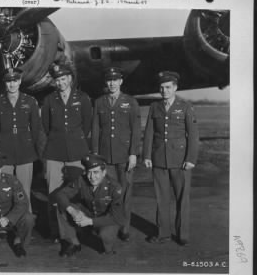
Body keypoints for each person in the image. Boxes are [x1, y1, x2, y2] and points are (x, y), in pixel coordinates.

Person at [143, 71, 199, 246]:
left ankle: (182, 235)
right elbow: (149, 133)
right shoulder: (155, 106)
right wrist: (146, 155)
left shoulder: (185, 106)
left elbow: (193, 135)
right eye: (161, 87)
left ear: (175, 87)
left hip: (180, 160)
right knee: (162, 198)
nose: (164, 90)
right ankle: (163, 233)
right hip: (159, 158)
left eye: (168, 87)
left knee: (182, 198)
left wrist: (190, 158)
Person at [41, 61, 92, 240]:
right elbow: (46, 126)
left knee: (76, 192)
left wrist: (74, 139)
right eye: (57, 80)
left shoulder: (83, 98)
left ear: (69, 79)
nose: (61, 83)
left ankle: (78, 228)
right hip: (54, 152)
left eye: (63, 79)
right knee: (54, 193)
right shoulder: (49, 100)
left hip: (77, 152)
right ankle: (56, 231)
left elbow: (86, 125)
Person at [91, 67, 141, 242]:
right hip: (105, 157)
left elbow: (136, 130)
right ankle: (106, 226)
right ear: (106, 83)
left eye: (115, 80)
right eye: (109, 80)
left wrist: (133, 154)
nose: (112, 83)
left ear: (121, 81)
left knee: (125, 193)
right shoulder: (99, 102)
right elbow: (96, 129)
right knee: (106, 193)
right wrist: (95, 154)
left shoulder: (131, 102)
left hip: (124, 156)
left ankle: (124, 228)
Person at [0, 68, 40, 213]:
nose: (12, 85)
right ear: (5, 83)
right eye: (8, 82)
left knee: (24, 190)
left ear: (20, 81)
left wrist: (29, 143)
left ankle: (26, 223)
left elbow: (35, 128)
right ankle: (7, 225)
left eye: (15, 81)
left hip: (25, 150)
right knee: (6, 191)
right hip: (4, 151)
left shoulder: (30, 101)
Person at [51, 154, 124, 256]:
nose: (92, 177)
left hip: (106, 218)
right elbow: (60, 194)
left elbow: (117, 218)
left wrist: (89, 221)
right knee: (62, 206)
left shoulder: (115, 187)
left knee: (105, 236)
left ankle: (107, 247)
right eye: (89, 172)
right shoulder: (81, 180)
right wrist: (72, 211)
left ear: (104, 172)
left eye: (96, 172)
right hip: (88, 212)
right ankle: (74, 243)